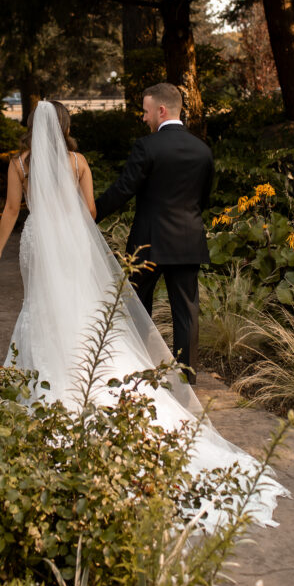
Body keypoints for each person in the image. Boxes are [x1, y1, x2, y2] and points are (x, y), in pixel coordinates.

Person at [0, 99, 287, 528]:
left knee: (42, 305)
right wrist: (71, 221)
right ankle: (152, 373)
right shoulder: (80, 161)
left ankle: (52, 375)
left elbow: (14, 211)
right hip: (90, 240)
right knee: (94, 302)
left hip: (44, 239)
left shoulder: (20, 164)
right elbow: (92, 211)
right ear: (66, 125)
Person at [94, 83, 213, 385]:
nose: (144, 118)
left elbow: (123, 189)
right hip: (187, 242)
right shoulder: (203, 150)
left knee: (136, 307)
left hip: (148, 243)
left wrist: (91, 213)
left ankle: (139, 370)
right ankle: (186, 379)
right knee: (186, 311)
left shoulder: (147, 147)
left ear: (161, 110)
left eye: (146, 112)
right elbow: (204, 198)